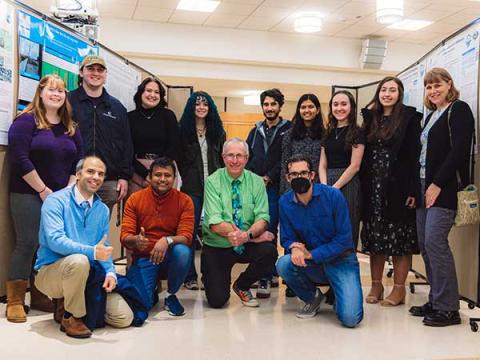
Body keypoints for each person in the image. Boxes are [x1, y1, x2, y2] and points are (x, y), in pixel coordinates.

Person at [6, 74, 83, 323]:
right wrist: (42, 190)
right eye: (52, 90)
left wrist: (67, 191)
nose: (57, 94)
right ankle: (16, 301)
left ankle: (40, 295)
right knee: (27, 243)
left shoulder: (70, 126)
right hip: (28, 192)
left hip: (59, 198)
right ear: (40, 93)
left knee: (48, 246)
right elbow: (20, 158)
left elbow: (78, 161)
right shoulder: (26, 122)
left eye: (61, 91)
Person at [34, 156, 133, 338]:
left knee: (123, 318)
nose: (96, 177)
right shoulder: (55, 201)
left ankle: (75, 303)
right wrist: (92, 252)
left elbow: (105, 247)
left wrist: (110, 272)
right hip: (50, 273)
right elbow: (55, 240)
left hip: (88, 276)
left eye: (101, 174)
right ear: (78, 174)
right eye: (90, 171)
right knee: (79, 261)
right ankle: (72, 317)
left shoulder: (102, 209)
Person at [410, 68, 474, 327]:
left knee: (435, 242)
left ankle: (449, 309)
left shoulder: (459, 110)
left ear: (449, 85)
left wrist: (436, 184)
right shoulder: (431, 116)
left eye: (438, 85)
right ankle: (437, 300)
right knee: (426, 246)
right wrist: (419, 189)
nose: (433, 90)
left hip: (444, 187)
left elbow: (459, 151)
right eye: (428, 87)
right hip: (424, 186)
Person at [276, 155, 363, 327]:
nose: (299, 177)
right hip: (312, 264)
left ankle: (339, 292)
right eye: (294, 174)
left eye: (303, 173)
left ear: (312, 175)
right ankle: (313, 297)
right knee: (283, 264)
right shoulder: (284, 202)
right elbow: (286, 237)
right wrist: (293, 247)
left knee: (351, 319)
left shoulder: (333, 196)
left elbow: (344, 239)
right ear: (287, 178)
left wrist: (311, 254)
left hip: (340, 260)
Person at [360, 76, 422, 307]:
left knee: (399, 239)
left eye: (392, 90)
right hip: (373, 187)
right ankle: (376, 284)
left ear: (400, 94)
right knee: (376, 238)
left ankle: (399, 289)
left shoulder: (409, 118)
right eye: (383, 89)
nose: (387, 93)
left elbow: (415, 156)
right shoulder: (370, 118)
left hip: (398, 187)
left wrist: (414, 190)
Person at [201, 138, 277, 308]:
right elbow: (215, 222)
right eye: (230, 155)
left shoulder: (257, 182)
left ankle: (242, 285)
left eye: (239, 156)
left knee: (269, 252)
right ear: (223, 157)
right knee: (217, 301)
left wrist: (247, 236)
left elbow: (263, 218)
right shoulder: (212, 181)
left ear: (247, 158)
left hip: (245, 243)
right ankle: (209, 275)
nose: (234, 160)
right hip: (218, 245)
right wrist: (251, 237)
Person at [121, 157, 194, 316]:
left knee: (183, 251)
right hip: (145, 257)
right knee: (141, 306)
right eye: (158, 175)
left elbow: (186, 236)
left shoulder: (184, 201)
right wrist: (136, 240)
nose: (162, 179)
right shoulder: (135, 199)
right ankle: (152, 288)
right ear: (149, 177)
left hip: (170, 256)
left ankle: (171, 295)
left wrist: (166, 240)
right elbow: (125, 236)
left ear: (174, 179)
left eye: (167, 176)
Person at [68, 55, 133, 212]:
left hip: (107, 181)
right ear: (81, 72)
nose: (96, 73)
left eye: (100, 70)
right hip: (74, 178)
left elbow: (127, 144)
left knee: (99, 231)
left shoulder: (117, 107)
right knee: (73, 229)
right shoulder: (68, 101)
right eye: (90, 69)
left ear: (105, 75)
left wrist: (124, 176)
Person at [245, 88, 291, 298]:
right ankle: (267, 274)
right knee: (263, 227)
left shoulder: (289, 129)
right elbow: (248, 157)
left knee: (280, 230)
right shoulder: (255, 131)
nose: (269, 108)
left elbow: (286, 159)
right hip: (256, 188)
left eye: (273, 104)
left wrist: (268, 177)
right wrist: (254, 179)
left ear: (280, 106)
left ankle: (288, 278)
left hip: (279, 186)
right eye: (266, 104)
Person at [178, 91, 226, 291]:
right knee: (189, 232)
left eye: (205, 104)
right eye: (197, 104)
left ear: (210, 108)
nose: (201, 107)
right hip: (191, 188)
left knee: (212, 233)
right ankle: (189, 276)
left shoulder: (217, 132)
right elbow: (178, 161)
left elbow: (224, 161)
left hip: (214, 189)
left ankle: (210, 275)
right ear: (191, 107)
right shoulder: (183, 132)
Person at [319, 90, 364, 250]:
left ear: (351, 107)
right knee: (326, 228)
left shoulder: (358, 132)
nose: (339, 108)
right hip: (326, 183)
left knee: (346, 227)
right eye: (335, 104)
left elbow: (355, 166)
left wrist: (334, 188)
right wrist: (324, 187)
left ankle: (346, 267)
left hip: (347, 184)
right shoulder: (328, 132)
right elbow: (322, 164)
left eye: (344, 104)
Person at [128, 77, 180, 194]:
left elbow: (174, 146)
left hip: (165, 169)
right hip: (137, 171)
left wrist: (158, 171)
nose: (152, 95)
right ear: (141, 92)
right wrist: (145, 173)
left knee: (166, 210)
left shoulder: (168, 116)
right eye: (148, 90)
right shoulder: (130, 117)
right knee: (137, 210)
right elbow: (127, 150)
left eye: (157, 92)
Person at [280, 93, 324, 195]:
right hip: (294, 185)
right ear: (299, 110)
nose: (307, 110)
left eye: (311, 107)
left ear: (317, 110)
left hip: (317, 186)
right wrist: (285, 191)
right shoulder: (289, 135)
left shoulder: (325, 134)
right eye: (303, 107)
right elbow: (284, 165)